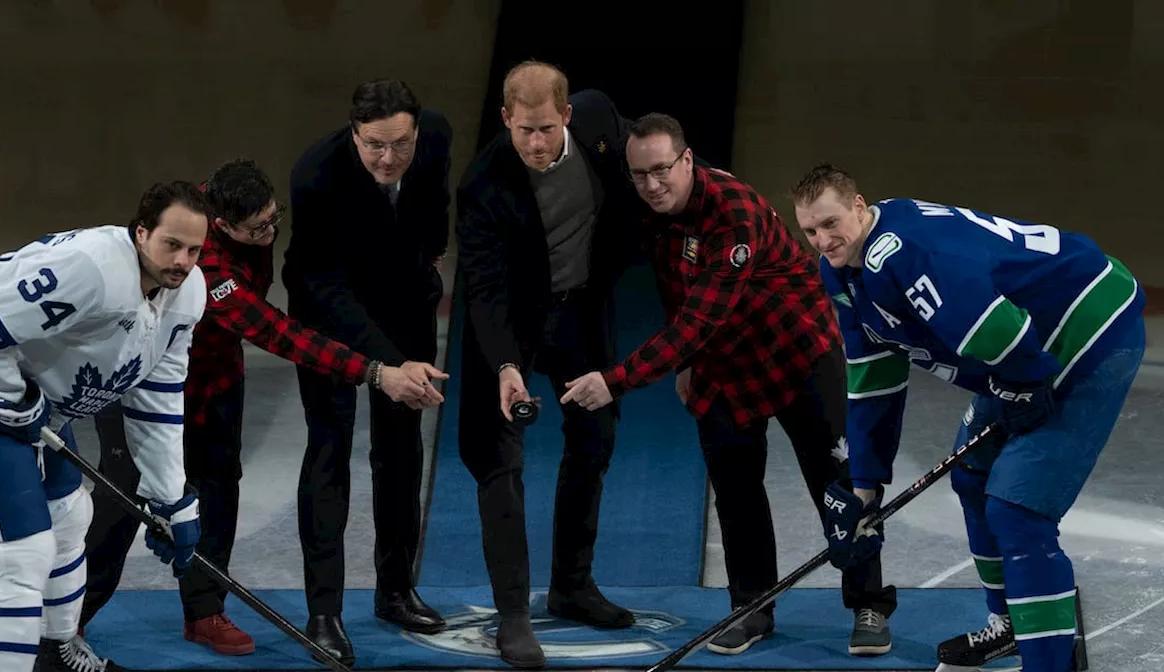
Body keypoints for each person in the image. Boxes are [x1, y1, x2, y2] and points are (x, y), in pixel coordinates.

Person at [76, 159, 446, 657]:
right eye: (258, 229)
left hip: (217, 380)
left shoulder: (240, 210)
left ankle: (205, 612)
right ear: (222, 225)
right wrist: (378, 372)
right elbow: (274, 330)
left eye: (274, 219)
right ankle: (67, 624)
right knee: (123, 505)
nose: (270, 232)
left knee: (219, 490)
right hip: (141, 385)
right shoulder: (204, 264)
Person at [560, 114, 898, 658]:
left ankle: (869, 604)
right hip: (723, 365)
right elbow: (678, 291)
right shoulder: (652, 212)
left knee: (840, 485)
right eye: (640, 174)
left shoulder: (731, 212)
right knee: (737, 494)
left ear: (688, 161)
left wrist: (616, 381)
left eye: (663, 170)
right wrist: (687, 364)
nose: (652, 185)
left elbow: (697, 321)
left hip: (797, 354)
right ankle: (751, 610)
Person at [790, 164, 1144, 672]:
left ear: (859, 206)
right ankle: (1012, 626)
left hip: (1085, 330)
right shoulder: (843, 271)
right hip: (1022, 353)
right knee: (973, 476)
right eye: (809, 231)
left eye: (830, 223)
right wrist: (865, 487)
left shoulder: (906, 253)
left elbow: (997, 326)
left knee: (1018, 511)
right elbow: (873, 378)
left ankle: (1049, 664)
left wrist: (1022, 386)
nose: (822, 240)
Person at [0, 181, 214, 672]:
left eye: (193, 250)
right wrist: (13, 398)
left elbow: (156, 398)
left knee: (70, 518)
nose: (182, 260)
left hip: (31, 397)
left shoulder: (186, 295)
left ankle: (56, 652)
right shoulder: (92, 270)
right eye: (171, 244)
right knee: (22, 552)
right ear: (140, 233)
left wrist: (169, 498)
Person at [454, 60, 644, 668]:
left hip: (581, 311)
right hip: (509, 321)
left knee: (595, 437)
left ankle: (571, 587)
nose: (534, 144)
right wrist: (506, 366)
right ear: (505, 119)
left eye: (544, 128)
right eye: (521, 130)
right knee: (498, 459)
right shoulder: (483, 183)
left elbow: (654, 154)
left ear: (566, 115)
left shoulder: (600, 120)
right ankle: (513, 616)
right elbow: (480, 290)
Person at [284, 78, 453, 664]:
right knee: (329, 450)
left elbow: (434, 214)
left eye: (400, 145)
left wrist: (430, 269)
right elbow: (324, 283)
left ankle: (396, 589)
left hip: (404, 305)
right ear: (354, 134)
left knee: (402, 451)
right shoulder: (316, 173)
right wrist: (385, 364)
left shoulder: (433, 138)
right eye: (374, 145)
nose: (388, 158)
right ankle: (323, 612)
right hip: (328, 313)